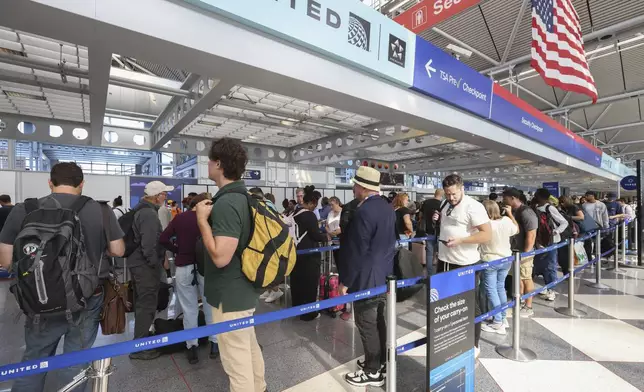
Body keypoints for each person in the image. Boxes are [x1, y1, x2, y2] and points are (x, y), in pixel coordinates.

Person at [0, 162, 125, 391]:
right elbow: (118, 250)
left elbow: (6, 260)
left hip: (40, 297)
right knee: (76, 360)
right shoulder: (101, 210)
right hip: (88, 297)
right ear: (82, 184)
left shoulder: (25, 209)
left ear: (50, 182)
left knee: (34, 359)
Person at [195, 138, 266, 392]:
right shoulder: (243, 197)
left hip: (229, 296)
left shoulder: (226, 203)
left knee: (236, 362)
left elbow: (220, 257)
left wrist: (202, 220)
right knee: (247, 347)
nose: (208, 164)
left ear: (219, 164)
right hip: (243, 290)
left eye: (210, 160)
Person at [339, 166, 395, 387]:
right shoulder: (387, 208)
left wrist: (346, 281)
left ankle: (373, 371)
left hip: (365, 277)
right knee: (380, 321)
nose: (353, 188)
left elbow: (357, 251)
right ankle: (380, 362)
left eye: (355, 185)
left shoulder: (363, 212)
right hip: (382, 274)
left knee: (366, 323)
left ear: (362, 187)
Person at [433, 174, 491, 358]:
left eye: (454, 194)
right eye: (448, 194)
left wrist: (462, 240)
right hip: (445, 261)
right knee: (447, 304)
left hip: (466, 263)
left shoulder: (474, 207)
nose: (451, 197)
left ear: (462, 188)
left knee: (469, 304)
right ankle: (453, 337)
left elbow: (486, 235)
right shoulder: (445, 204)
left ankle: (474, 344)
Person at [159, 193, 219, 365]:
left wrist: (178, 250)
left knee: (189, 308)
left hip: (184, 266)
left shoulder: (180, 218)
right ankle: (215, 344)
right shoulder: (210, 219)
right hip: (206, 266)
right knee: (210, 305)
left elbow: (163, 239)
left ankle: (192, 347)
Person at [128, 180, 174, 360]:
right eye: (164, 194)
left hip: (140, 265)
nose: (166, 197)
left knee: (144, 304)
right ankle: (139, 348)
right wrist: (155, 264)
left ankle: (141, 340)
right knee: (146, 305)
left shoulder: (143, 210)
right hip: (145, 267)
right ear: (156, 196)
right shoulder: (148, 214)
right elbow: (148, 245)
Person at [480, 200, 518, 335]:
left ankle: (497, 322)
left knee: (491, 290)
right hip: (506, 259)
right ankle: (503, 318)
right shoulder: (507, 220)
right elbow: (516, 229)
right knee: (500, 287)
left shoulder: (485, 225)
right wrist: (510, 214)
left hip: (490, 260)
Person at [290, 186, 328, 321]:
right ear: (311, 202)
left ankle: (296, 308)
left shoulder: (295, 213)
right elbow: (315, 235)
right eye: (315, 204)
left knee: (296, 282)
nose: (315, 207)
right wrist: (326, 236)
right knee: (310, 283)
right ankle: (308, 313)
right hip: (309, 255)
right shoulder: (310, 215)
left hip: (296, 253)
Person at [502, 187, 538, 318]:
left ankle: (528, 306)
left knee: (526, 277)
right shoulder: (512, 211)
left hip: (524, 252)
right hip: (515, 251)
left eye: (505, 198)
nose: (503, 201)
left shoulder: (526, 212)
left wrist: (526, 253)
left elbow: (531, 235)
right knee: (518, 278)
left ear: (513, 198)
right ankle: (519, 301)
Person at [531, 188, 568, 302]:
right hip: (539, 241)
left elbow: (564, 222)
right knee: (538, 265)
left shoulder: (550, 208)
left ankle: (551, 290)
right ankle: (546, 287)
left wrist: (555, 231)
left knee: (550, 266)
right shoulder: (535, 207)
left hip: (551, 242)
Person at [418, 189, 444, 273]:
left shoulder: (426, 203)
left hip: (428, 231)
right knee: (441, 253)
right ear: (442, 195)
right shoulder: (442, 204)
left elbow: (420, 215)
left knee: (429, 254)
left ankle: (430, 273)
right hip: (440, 232)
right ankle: (440, 272)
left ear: (435, 194)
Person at [582, 191, 609, 260]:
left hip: (598, 226)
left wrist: (606, 227)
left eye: (587, 195)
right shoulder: (584, 205)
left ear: (592, 196)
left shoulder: (601, 205)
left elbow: (605, 216)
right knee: (587, 243)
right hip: (588, 227)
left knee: (597, 243)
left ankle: (597, 257)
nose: (586, 197)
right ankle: (589, 258)